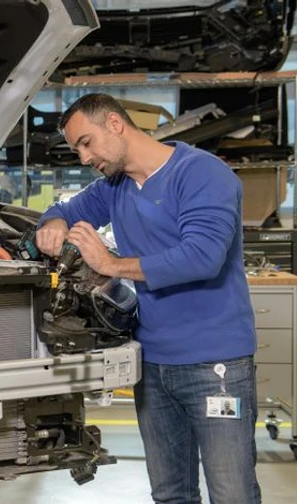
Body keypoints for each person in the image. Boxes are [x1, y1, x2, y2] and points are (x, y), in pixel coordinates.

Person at [35, 93, 259, 503]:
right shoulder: (113, 187)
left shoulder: (202, 173)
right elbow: (64, 210)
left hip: (216, 366)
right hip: (153, 365)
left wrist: (111, 264)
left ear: (115, 125)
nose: (84, 158)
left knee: (232, 494)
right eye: (76, 149)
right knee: (170, 493)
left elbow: (202, 258)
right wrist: (51, 222)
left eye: (86, 142)